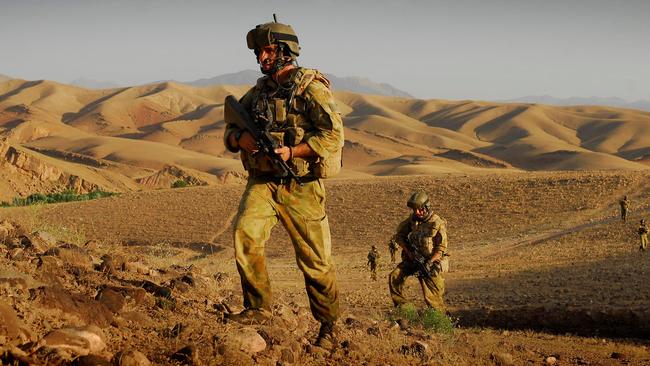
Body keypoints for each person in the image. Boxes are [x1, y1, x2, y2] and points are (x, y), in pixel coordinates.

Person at [222, 17, 344, 349]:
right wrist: (240, 138)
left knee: (316, 261)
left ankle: (328, 325)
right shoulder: (259, 92)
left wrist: (293, 151)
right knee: (245, 234)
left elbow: (333, 136)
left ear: (285, 51)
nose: (261, 58)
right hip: (263, 182)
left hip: (301, 185)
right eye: (259, 52)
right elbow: (230, 128)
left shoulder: (310, 87)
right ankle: (257, 309)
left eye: (267, 51)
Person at [389, 192, 448, 312]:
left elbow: (441, 249)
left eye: (419, 209)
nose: (417, 212)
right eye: (414, 210)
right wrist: (408, 251)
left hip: (430, 263)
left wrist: (430, 262)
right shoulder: (411, 221)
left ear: (426, 207)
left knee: (432, 294)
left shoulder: (437, 223)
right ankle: (404, 309)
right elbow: (399, 236)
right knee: (394, 277)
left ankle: (440, 318)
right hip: (413, 259)